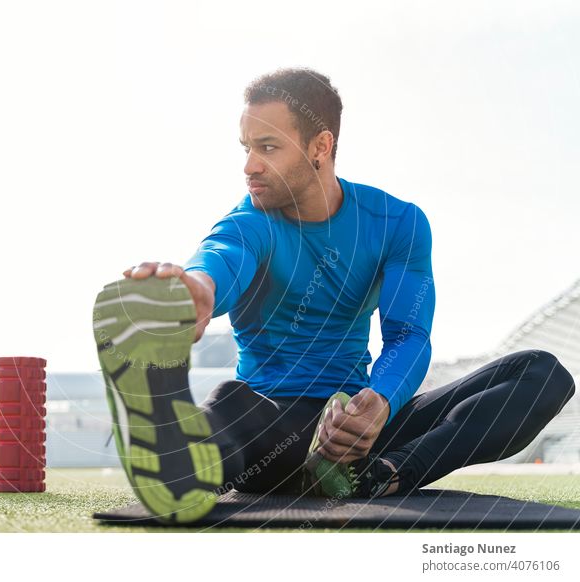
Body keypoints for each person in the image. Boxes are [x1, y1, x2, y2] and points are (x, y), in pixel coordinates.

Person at [91, 67, 576, 524]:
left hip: (362, 426)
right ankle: (177, 449)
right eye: (244, 147)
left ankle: (384, 476)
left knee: (540, 373)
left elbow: (409, 334)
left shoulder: (396, 222)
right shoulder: (249, 223)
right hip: (275, 421)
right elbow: (219, 259)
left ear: (320, 146)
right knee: (236, 408)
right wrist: (194, 292)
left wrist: (379, 402)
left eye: (267, 147)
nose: (249, 166)